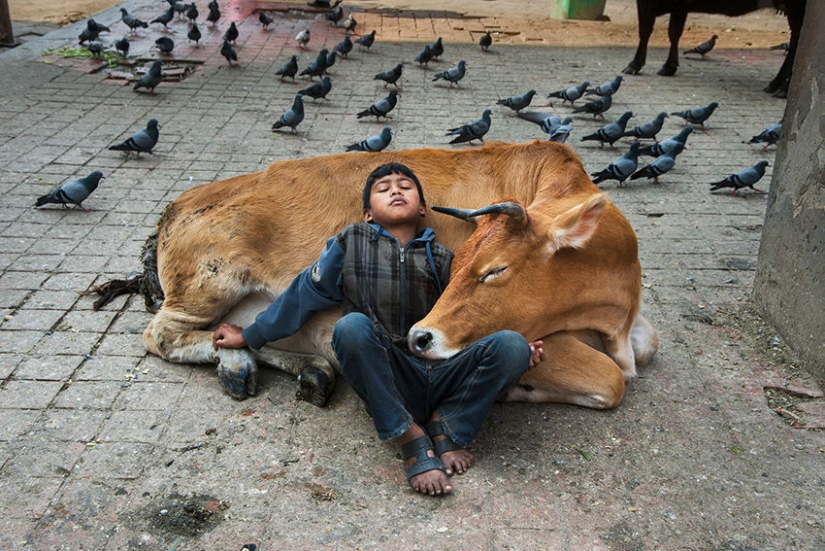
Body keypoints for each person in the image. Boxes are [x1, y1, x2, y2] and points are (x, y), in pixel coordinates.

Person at [213, 163, 544, 496]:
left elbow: (466, 316)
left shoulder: (445, 258)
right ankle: (409, 435)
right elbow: (303, 295)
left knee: (512, 345)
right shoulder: (351, 243)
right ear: (368, 214)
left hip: (442, 372)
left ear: (423, 208)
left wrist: (517, 355)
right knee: (351, 327)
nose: (396, 190)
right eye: (383, 189)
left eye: (405, 186)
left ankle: (448, 429)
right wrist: (249, 335)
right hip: (389, 376)